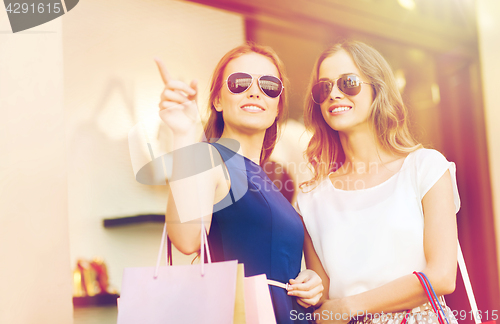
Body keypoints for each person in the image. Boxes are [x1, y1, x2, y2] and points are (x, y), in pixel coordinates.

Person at [156, 42, 323, 324]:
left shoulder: (270, 182)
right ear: (218, 101)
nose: (255, 91)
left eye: (269, 85)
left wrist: (310, 282)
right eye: (239, 82)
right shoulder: (211, 159)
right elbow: (186, 239)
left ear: (277, 107)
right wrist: (183, 135)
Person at [296, 40, 460, 324]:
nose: (334, 94)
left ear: (377, 89)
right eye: (324, 88)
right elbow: (323, 304)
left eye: (348, 83)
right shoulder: (310, 200)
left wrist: (350, 306)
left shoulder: (425, 167)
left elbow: (442, 277)